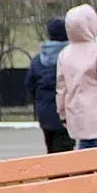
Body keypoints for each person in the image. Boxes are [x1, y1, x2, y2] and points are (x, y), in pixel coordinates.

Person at [56, 3, 97, 150]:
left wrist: (61, 111)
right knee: (90, 145)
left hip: (72, 107)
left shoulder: (64, 54)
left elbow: (61, 87)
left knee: (84, 144)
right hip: (95, 108)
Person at [25, 16, 75, 154]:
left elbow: (30, 84)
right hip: (66, 111)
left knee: (51, 149)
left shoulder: (38, 59)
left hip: (45, 113)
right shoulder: (70, 57)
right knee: (65, 151)